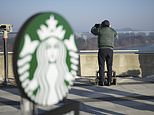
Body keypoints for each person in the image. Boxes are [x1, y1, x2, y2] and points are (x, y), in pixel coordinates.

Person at [91, 20, 117, 86]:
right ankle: (109, 81)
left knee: (101, 66)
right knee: (109, 66)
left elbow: (92, 31)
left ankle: (102, 82)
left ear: (102, 25)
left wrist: (95, 26)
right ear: (109, 25)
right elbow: (115, 34)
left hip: (102, 50)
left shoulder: (100, 30)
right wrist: (110, 27)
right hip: (110, 50)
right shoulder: (112, 31)